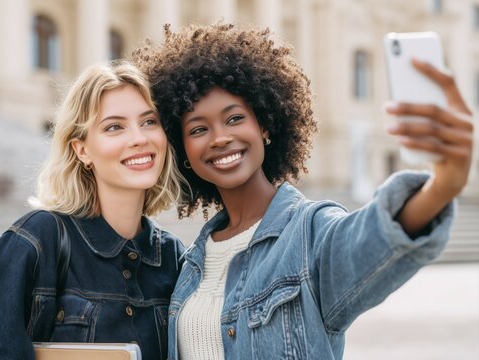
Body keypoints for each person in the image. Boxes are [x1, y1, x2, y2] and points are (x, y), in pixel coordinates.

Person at [133, 23, 474, 359]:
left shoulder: (311, 234)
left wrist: (443, 185)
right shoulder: (191, 262)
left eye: (235, 118)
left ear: (264, 125)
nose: (220, 137)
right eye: (198, 129)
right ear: (183, 150)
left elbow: (372, 240)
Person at [0, 61, 186, 360]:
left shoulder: (173, 257)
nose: (139, 138)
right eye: (114, 127)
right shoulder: (37, 239)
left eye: (149, 121)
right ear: (82, 150)